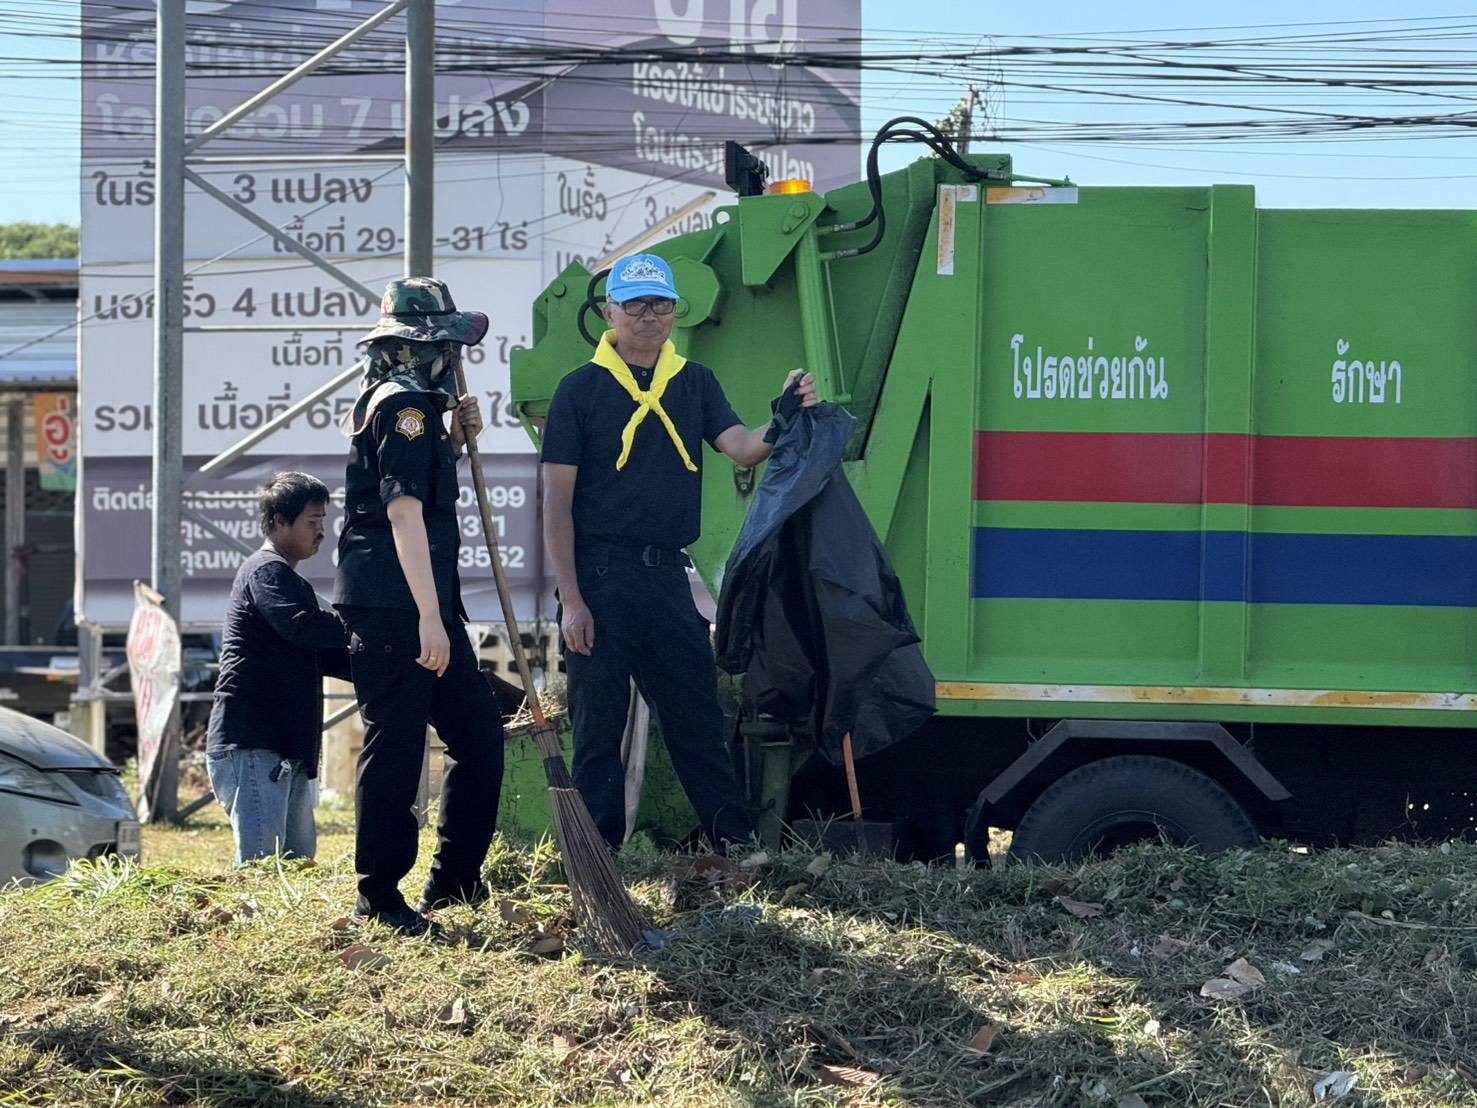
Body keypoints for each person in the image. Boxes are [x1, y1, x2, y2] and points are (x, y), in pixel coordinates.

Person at [540, 252, 817, 852]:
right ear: (609, 313)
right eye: (635, 304)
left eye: (661, 304)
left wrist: (784, 416)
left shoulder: (694, 382)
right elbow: (556, 504)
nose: (649, 315)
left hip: (666, 574)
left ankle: (734, 845)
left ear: (674, 312)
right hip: (599, 575)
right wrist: (573, 600)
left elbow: (741, 447)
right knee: (597, 725)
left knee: (697, 716)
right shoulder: (579, 390)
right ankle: (599, 857)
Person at [335, 276, 505, 936]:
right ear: (416, 348)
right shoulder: (403, 405)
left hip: (420, 604)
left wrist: (455, 440)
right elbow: (403, 514)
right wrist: (430, 618)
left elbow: (421, 493)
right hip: (395, 608)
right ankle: (378, 897)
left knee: (479, 737)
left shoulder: (417, 409)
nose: (450, 356)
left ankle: (455, 882)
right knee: (398, 749)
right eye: (443, 345)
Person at [207, 471, 350, 865]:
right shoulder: (266, 571)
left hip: (284, 748)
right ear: (279, 521)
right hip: (255, 742)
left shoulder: (289, 582)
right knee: (263, 870)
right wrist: (362, 627)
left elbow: (325, 653)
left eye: (323, 521)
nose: (321, 532)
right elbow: (301, 626)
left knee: (296, 869)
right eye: (312, 521)